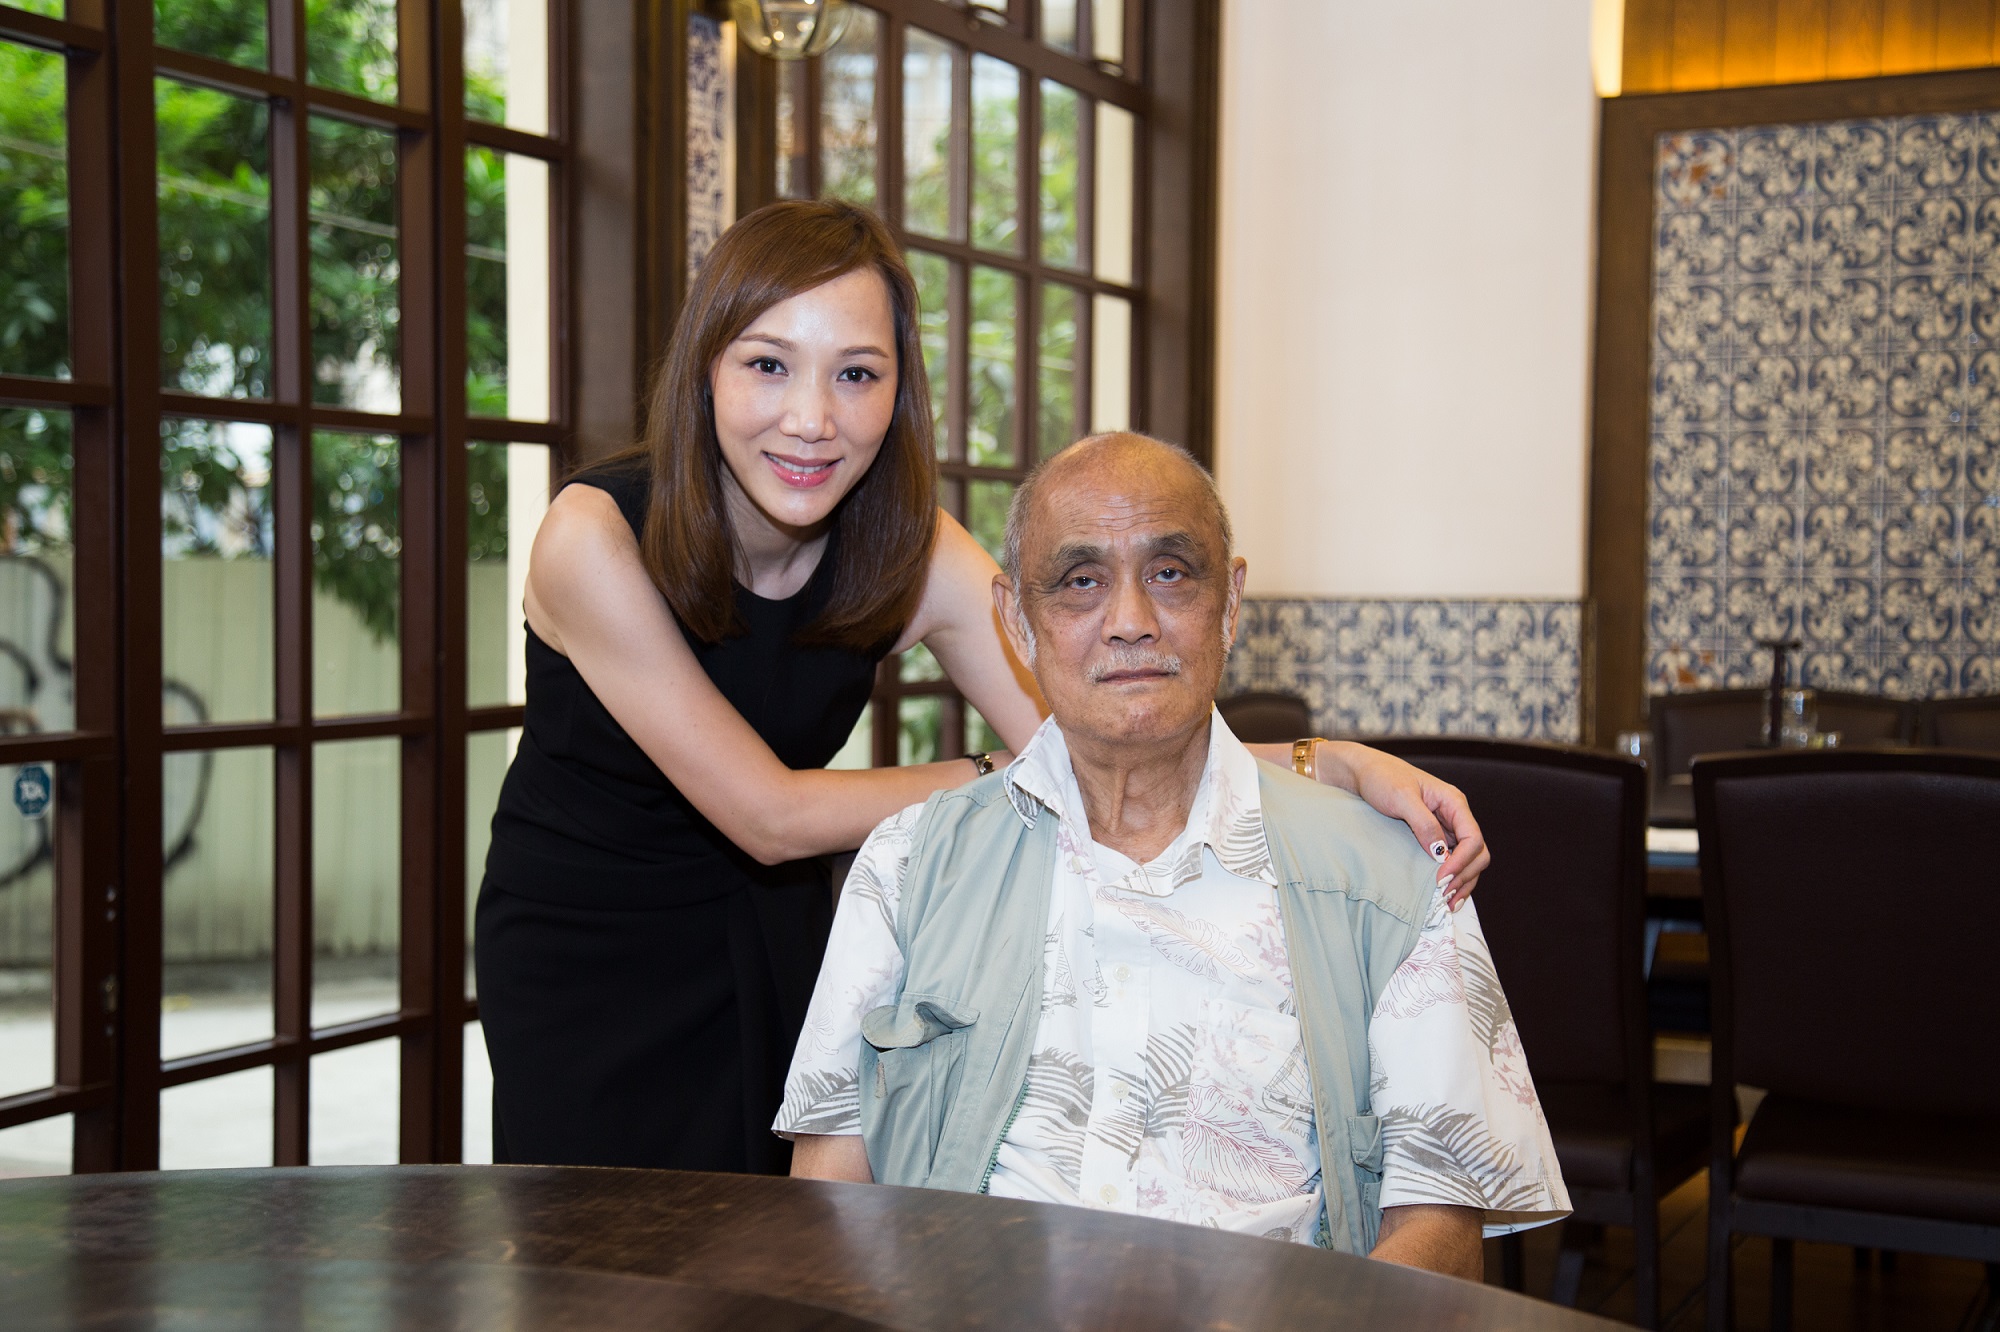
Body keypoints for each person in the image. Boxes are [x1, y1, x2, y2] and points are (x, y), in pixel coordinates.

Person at [475, 200, 1493, 1176]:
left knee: (762, 1249)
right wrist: (998, 771)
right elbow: (769, 816)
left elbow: (1111, 741)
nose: (811, 419)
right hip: (585, 951)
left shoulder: (906, 549)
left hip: (770, 929)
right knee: (604, 1252)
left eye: (857, 374)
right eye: (767, 365)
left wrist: (1334, 766)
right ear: (705, 370)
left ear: (899, 392)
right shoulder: (593, 535)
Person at [781, 434, 1568, 1274]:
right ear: (1015, 621)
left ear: (1229, 603)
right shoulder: (908, 868)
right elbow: (830, 1200)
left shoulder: (1391, 878)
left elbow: (1441, 1232)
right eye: (1081, 581)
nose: (1130, 621)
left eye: (1169, 573)